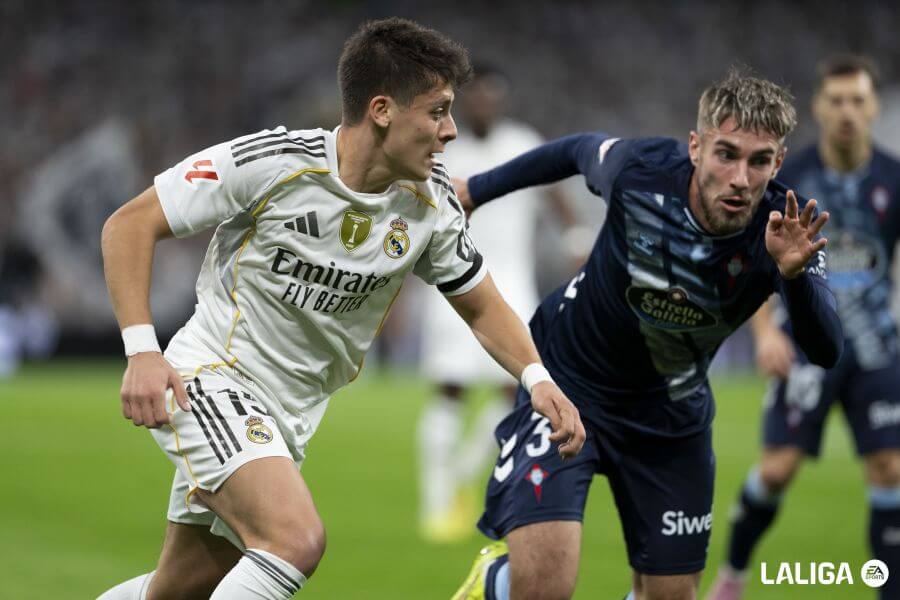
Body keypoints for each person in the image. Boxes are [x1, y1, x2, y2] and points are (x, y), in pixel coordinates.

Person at [97, 18, 585, 600]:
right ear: (382, 109)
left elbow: (481, 304)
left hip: (293, 413)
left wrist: (536, 378)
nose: (450, 131)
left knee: (178, 591)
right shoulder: (274, 163)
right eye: (437, 111)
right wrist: (143, 350)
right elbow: (130, 224)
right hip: (212, 378)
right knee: (294, 541)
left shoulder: (429, 202)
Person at [451, 67, 844, 600]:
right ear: (695, 146)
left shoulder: (784, 228)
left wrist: (794, 277)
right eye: (726, 153)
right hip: (569, 385)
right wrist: (477, 189)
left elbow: (825, 349)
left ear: (778, 161)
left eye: (759, 161)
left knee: (671, 594)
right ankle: (496, 583)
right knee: (543, 587)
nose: (741, 179)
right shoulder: (640, 170)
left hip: (670, 418)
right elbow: (572, 151)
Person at [708, 55, 900, 600]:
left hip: (876, 347)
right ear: (817, 107)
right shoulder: (789, 180)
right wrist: (766, 333)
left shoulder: (894, 179)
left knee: (891, 468)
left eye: (857, 100)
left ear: (873, 108)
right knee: (776, 470)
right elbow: (755, 261)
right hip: (805, 343)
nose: (846, 112)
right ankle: (734, 574)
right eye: (836, 100)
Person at [416, 64, 579, 543]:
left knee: (517, 393)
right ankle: (434, 502)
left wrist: (575, 236)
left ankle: (463, 474)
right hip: (451, 285)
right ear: (464, 102)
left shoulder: (520, 143)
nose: (487, 103)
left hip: (512, 285)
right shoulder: (445, 150)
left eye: (494, 95)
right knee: (450, 391)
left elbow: (554, 190)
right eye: (479, 96)